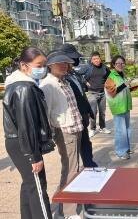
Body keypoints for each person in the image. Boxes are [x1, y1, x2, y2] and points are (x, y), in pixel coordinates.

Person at [4, 47, 55, 219]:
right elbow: (27, 124)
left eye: (45, 65)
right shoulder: (24, 88)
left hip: (19, 141)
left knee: (29, 184)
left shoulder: (19, 84)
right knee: (38, 187)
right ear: (25, 66)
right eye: (39, 65)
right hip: (24, 143)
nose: (43, 69)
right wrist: (34, 156)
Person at [39, 51, 83, 219]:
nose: (64, 66)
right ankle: (67, 212)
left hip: (75, 128)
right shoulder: (48, 85)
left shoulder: (64, 81)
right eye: (60, 63)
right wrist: (51, 135)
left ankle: (62, 207)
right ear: (50, 66)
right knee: (71, 170)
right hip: (65, 131)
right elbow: (46, 112)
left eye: (66, 63)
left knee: (73, 168)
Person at [105, 55, 138, 160]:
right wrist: (125, 85)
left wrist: (131, 88)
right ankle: (120, 152)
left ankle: (127, 148)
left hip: (125, 105)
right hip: (118, 107)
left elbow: (123, 89)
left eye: (122, 63)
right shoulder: (111, 76)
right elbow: (112, 92)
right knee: (121, 131)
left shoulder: (121, 75)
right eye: (117, 63)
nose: (120, 65)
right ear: (113, 65)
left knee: (127, 129)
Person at [84, 51, 110, 137]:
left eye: (97, 58)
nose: (96, 60)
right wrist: (85, 82)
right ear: (91, 60)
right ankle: (92, 129)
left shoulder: (104, 68)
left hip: (102, 93)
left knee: (102, 112)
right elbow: (80, 76)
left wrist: (107, 84)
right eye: (94, 59)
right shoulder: (88, 68)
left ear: (100, 59)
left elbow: (109, 76)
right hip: (91, 93)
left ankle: (102, 127)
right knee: (93, 112)